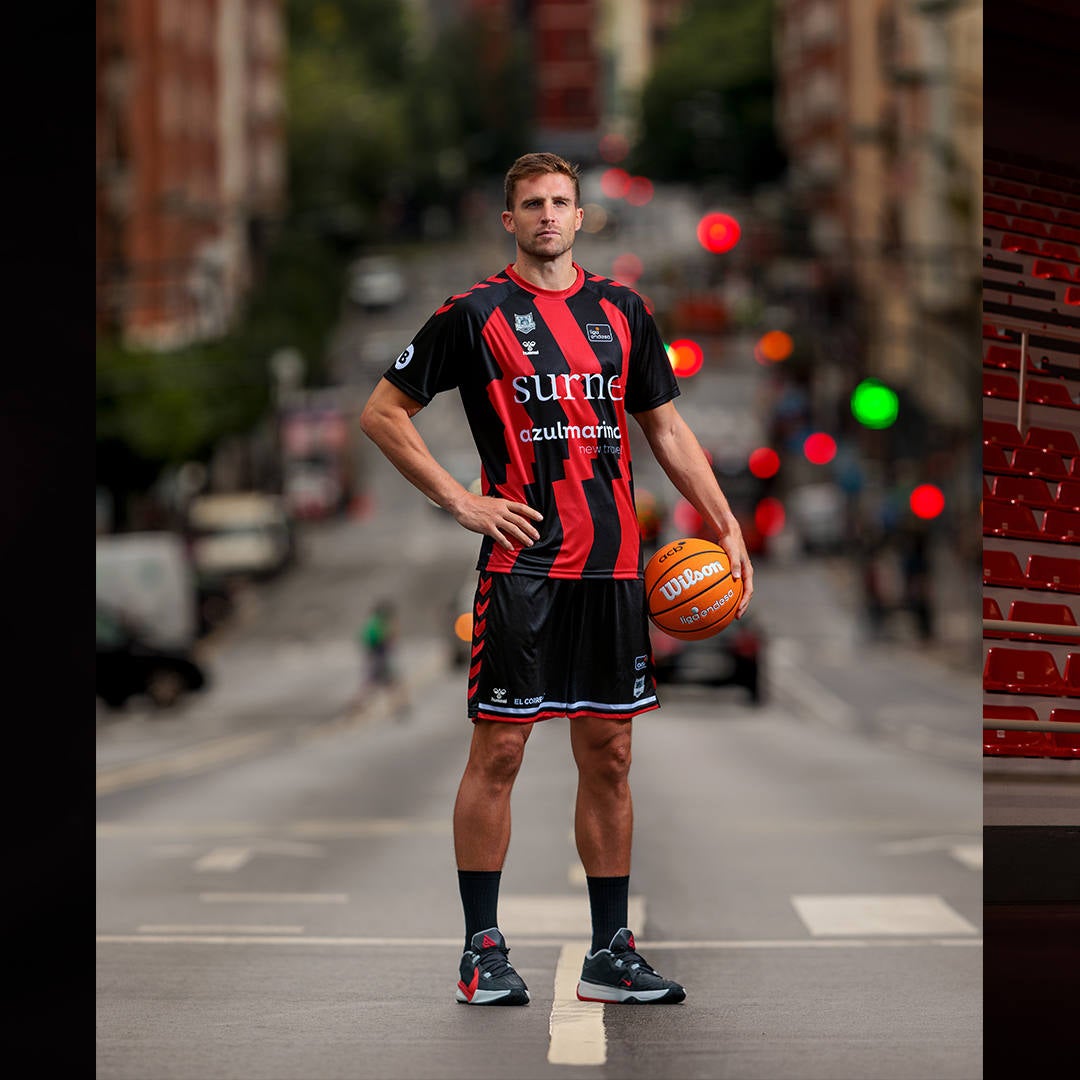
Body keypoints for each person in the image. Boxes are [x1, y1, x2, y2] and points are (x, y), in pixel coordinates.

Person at [360, 152, 753, 1006]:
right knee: (500, 748)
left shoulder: (623, 311)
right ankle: (481, 950)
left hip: (612, 566)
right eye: (532, 204)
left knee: (609, 754)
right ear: (510, 221)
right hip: (522, 562)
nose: (547, 215)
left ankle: (610, 953)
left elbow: (669, 430)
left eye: (561, 202)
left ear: (581, 216)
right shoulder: (473, 315)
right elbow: (383, 414)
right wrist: (460, 501)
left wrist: (722, 519)